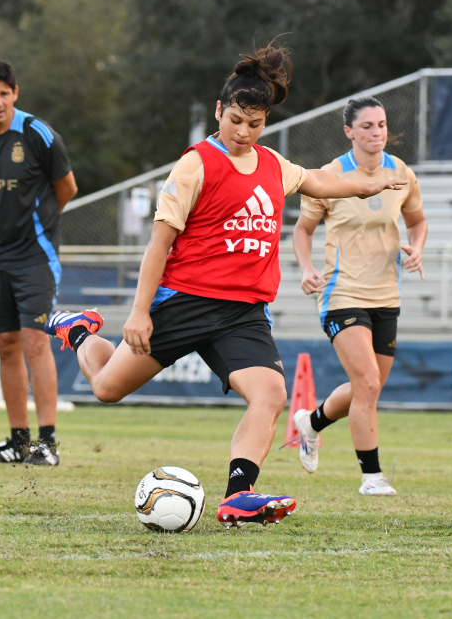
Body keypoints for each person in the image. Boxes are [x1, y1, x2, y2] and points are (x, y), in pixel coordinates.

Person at [43, 44, 407, 527]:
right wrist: (138, 311)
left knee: (271, 393)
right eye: (235, 119)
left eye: (254, 124)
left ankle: (239, 495)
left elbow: (319, 181)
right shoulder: (195, 164)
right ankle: (82, 332)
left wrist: (366, 185)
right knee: (108, 389)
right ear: (220, 110)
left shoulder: (273, 165)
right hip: (185, 302)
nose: (243, 132)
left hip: (242, 312)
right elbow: (158, 244)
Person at [290, 95, 427, 496]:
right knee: (366, 382)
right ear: (349, 131)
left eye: (381, 125)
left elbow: (417, 221)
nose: (376, 133)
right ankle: (372, 477)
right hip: (342, 293)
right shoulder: (329, 176)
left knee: (367, 387)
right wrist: (307, 268)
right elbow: (302, 230)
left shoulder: (402, 172)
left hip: (386, 294)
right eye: (367, 126)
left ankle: (311, 424)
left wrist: (417, 248)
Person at [0, 59, 78, 465]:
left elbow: (67, 188)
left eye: (4, 93)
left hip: (35, 254)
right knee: (5, 344)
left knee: (34, 341)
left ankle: (48, 443)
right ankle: (18, 441)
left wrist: (37, 227)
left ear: (15, 94)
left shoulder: (38, 134)